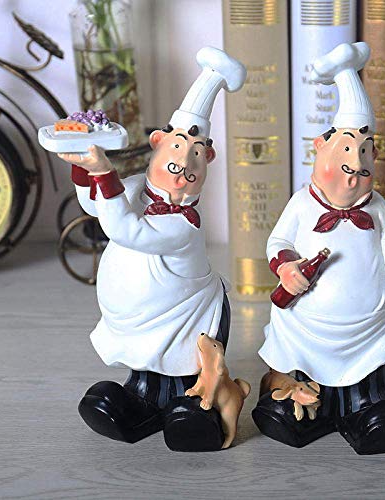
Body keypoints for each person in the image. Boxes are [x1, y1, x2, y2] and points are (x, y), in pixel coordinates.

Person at [57, 47, 246, 452]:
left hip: (184, 319)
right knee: (146, 373)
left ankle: (193, 413)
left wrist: (103, 171)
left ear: (208, 162)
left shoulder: (184, 224)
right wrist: (84, 168)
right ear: (157, 143)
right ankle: (138, 404)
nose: (184, 164)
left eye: (197, 157)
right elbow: (95, 205)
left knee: (182, 375)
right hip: (140, 321)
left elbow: (126, 230)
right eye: (176, 149)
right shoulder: (135, 187)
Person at [252, 42, 385, 455]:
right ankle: (305, 405)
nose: (356, 167)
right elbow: (278, 242)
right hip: (308, 323)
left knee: (370, 384)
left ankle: (367, 409)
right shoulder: (301, 203)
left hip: (369, 326)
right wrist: (286, 267)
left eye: (364, 155)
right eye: (346, 152)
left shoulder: (380, 208)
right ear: (320, 147)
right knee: (303, 373)